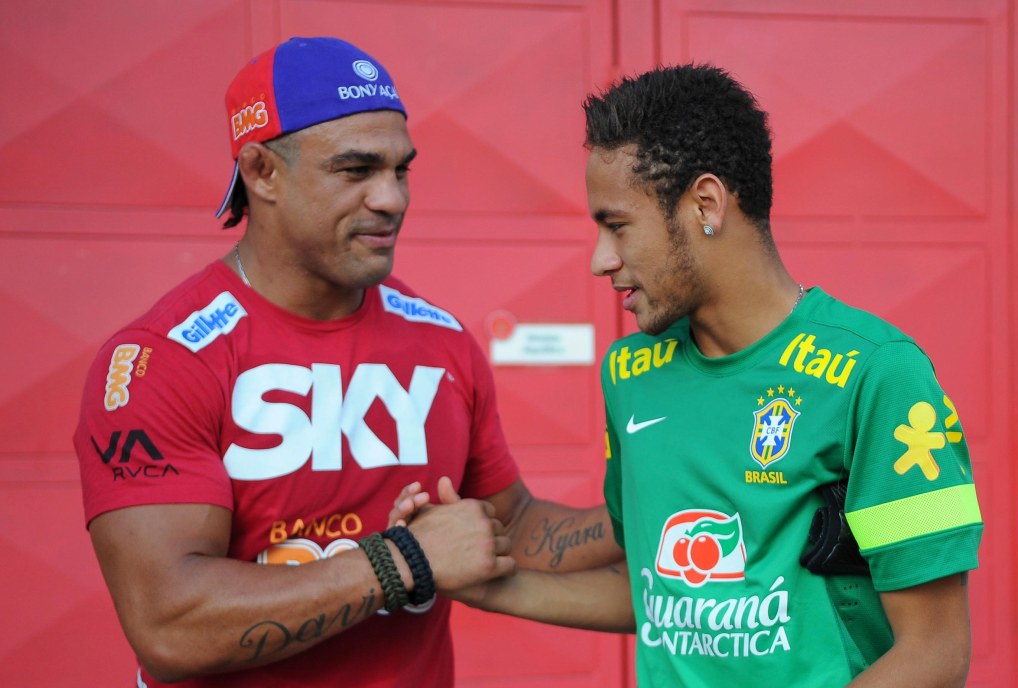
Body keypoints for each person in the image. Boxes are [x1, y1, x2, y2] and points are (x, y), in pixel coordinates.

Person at [410, 63, 984, 687]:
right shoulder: (631, 370)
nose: (602, 260)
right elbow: (660, 597)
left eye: (617, 224)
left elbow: (935, 652)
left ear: (705, 205)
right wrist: (491, 588)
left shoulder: (877, 373)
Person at [73, 36, 619, 688]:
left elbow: (514, 528)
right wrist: (403, 560)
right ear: (260, 172)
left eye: (401, 169)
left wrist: (665, 503)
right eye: (356, 171)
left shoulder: (440, 344)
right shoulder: (165, 361)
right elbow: (168, 624)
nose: (392, 199)